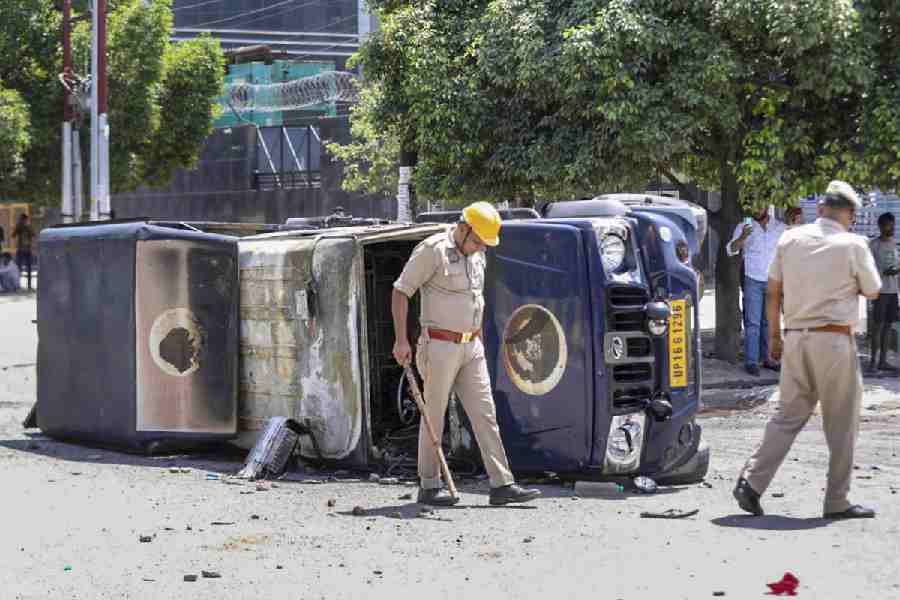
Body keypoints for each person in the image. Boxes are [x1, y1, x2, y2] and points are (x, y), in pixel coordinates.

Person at [733, 180, 881, 520]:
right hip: (834, 341)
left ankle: (751, 484)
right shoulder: (853, 244)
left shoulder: (790, 239)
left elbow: (772, 292)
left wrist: (774, 337)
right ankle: (836, 501)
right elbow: (872, 290)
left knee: (787, 415)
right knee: (841, 422)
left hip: (796, 337)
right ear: (850, 214)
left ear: (822, 209)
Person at [391, 201, 541, 507]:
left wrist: (480, 342)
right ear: (462, 228)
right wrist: (401, 341)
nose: (480, 248)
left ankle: (502, 484)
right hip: (439, 346)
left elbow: (476, 303)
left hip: (471, 347)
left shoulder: (477, 256)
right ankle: (430, 485)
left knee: (486, 414)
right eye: (476, 241)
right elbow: (400, 291)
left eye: (485, 244)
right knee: (434, 415)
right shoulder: (432, 250)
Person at [727, 206, 786, 375]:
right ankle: (751, 361)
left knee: (769, 323)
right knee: (753, 322)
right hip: (752, 279)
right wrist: (743, 236)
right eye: (753, 206)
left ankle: (769, 359)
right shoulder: (743, 226)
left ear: (767, 207)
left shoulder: (779, 228)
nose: (756, 209)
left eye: (760, 206)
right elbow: (731, 249)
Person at [867, 212, 899, 372]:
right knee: (877, 327)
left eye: (893, 224)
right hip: (880, 292)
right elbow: (867, 269)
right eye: (888, 224)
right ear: (881, 226)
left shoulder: (895, 244)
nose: (892, 227)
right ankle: (873, 362)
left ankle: (883, 361)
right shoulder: (873, 245)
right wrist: (883, 272)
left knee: (888, 326)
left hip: (893, 291)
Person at [11, 214, 34, 291]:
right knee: (18, 268)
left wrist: (28, 227)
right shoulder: (19, 227)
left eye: (24, 220)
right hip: (21, 250)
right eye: (22, 220)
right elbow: (13, 235)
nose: (23, 221)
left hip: (27, 250)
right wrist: (18, 227)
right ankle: (17, 285)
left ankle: (29, 285)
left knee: (29, 268)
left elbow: (33, 235)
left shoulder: (28, 227)